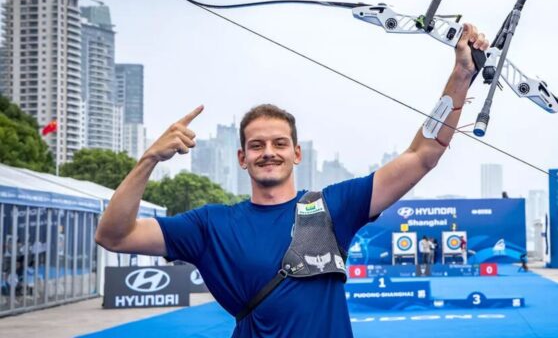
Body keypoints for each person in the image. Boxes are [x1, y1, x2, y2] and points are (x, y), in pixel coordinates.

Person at [95, 24, 489, 338]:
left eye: (280, 143)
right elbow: (114, 236)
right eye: (257, 145)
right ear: (242, 158)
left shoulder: (332, 208)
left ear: (296, 153)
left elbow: (423, 155)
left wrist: (460, 76)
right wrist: (149, 158)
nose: (269, 151)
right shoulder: (209, 225)